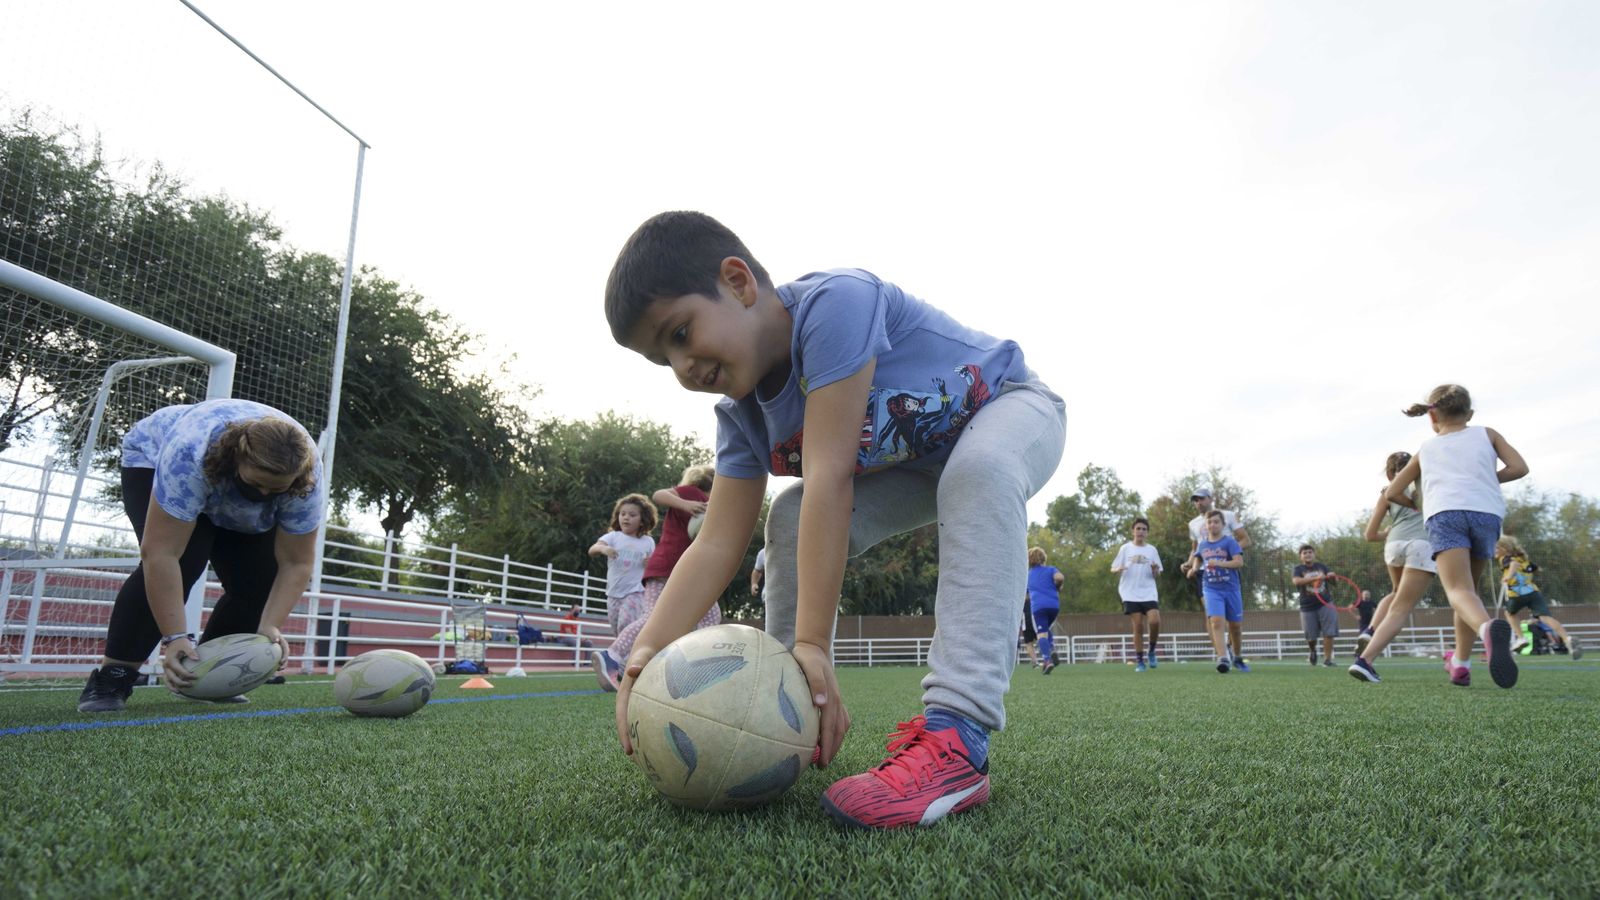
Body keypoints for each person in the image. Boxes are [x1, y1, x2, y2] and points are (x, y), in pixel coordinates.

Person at [603, 211, 1065, 830]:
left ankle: (960, 739)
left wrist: (815, 643)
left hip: (1011, 407)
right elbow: (716, 542)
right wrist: (648, 648)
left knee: (976, 473)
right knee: (789, 514)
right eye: (663, 359)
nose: (681, 366)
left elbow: (830, 476)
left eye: (680, 333)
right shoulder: (739, 414)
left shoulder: (834, 304)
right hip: (922, 466)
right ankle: (783, 707)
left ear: (739, 282)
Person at [76, 399, 325, 713]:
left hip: (235, 479)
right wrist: (176, 637)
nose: (263, 495)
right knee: (185, 559)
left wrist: (270, 626)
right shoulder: (190, 456)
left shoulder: (306, 484)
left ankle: (209, 672)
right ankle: (112, 679)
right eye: (256, 483)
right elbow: (160, 553)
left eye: (275, 489)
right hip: (153, 459)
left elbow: (296, 563)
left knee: (262, 579)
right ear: (237, 460)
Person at [1385, 384, 1528, 689]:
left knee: (1458, 591)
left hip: (1445, 514)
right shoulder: (1487, 434)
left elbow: (1393, 491)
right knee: (1469, 592)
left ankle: (1487, 628)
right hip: (1486, 514)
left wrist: (1416, 503)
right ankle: (1461, 665)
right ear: (1470, 413)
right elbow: (1519, 468)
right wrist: (1486, 479)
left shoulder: (1426, 449)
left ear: (1431, 416)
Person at [590, 469, 718, 690]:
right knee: (658, 617)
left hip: (681, 569)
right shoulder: (692, 493)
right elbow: (659, 495)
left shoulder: (712, 505)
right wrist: (686, 504)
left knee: (709, 614)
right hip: (672, 567)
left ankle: (690, 665)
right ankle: (614, 655)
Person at [1350, 451, 1438, 684]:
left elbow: (1369, 535)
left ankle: (1369, 630)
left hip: (1394, 544)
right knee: (1402, 606)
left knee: (1396, 591)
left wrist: (1387, 533)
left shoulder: (1386, 494)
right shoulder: (1426, 486)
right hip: (1421, 543)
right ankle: (1366, 660)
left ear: (1390, 473)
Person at [585, 493, 657, 688]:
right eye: (623, 514)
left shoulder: (648, 542)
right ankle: (629, 665)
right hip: (613, 594)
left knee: (627, 624)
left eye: (632, 515)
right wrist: (603, 549)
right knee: (619, 630)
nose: (626, 518)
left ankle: (619, 665)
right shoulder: (613, 537)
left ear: (643, 520)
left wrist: (650, 562)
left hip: (636, 592)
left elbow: (654, 564)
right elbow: (593, 548)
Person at [1497, 536, 1581, 659]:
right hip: (1533, 592)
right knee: (1545, 617)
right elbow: (1537, 569)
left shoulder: (1505, 558)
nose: (1494, 550)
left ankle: (1521, 638)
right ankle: (1567, 639)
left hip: (1516, 594)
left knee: (1509, 613)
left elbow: (1513, 565)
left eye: (1497, 547)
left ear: (1505, 549)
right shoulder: (1524, 559)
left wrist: (1508, 577)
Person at [1189, 510, 1247, 673]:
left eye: (1216, 522)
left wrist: (1220, 563)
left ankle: (1237, 656)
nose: (1212, 525)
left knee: (1235, 626)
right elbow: (1198, 557)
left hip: (1231, 588)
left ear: (1222, 525)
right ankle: (1223, 658)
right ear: (1205, 526)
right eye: (1209, 522)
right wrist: (1193, 568)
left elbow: (1239, 562)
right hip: (1211, 589)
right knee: (1216, 621)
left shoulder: (1230, 542)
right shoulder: (1203, 544)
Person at [1110, 517, 1163, 671]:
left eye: (1144, 529)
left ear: (1147, 533)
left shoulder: (1152, 550)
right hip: (1129, 591)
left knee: (1154, 621)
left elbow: (1158, 573)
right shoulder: (1125, 549)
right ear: (1133, 531)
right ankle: (1140, 661)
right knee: (1138, 625)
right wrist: (1118, 569)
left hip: (1148, 590)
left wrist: (1155, 570)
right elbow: (1113, 567)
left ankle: (1151, 651)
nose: (1141, 531)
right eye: (1138, 528)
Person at [1182, 488, 1250, 578]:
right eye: (1196, 500)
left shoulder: (1228, 515)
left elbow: (1246, 540)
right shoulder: (1193, 524)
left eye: (1202, 499)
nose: (1199, 503)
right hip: (1204, 572)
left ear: (1210, 499)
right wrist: (1189, 563)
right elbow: (1195, 549)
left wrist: (1226, 552)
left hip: (1227, 569)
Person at [1292, 544, 1339, 667]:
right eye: (1305, 553)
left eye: (1310, 552)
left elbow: (1335, 583)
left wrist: (1332, 577)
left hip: (1326, 603)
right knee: (1311, 635)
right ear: (1301, 556)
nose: (1308, 554)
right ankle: (1312, 651)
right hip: (1307, 606)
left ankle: (1327, 660)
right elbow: (1296, 581)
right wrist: (1317, 578)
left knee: (1329, 632)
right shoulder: (1298, 569)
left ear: (1314, 554)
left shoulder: (1322, 566)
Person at [1027, 547, 1065, 675]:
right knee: (1046, 629)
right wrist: (1058, 586)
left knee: (1041, 633)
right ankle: (1052, 649)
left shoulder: (1028, 574)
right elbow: (1059, 577)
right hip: (1054, 606)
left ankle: (1047, 660)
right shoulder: (1050, 569)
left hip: (1038, 606)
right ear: (1044, 558)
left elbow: (1025, 594)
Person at [1018, 594, 1041, 668]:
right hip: (1029, 619)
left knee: (1030, 642)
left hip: (1030, 619)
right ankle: (1037, 661)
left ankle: (1037, 661)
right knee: (1030, 642)